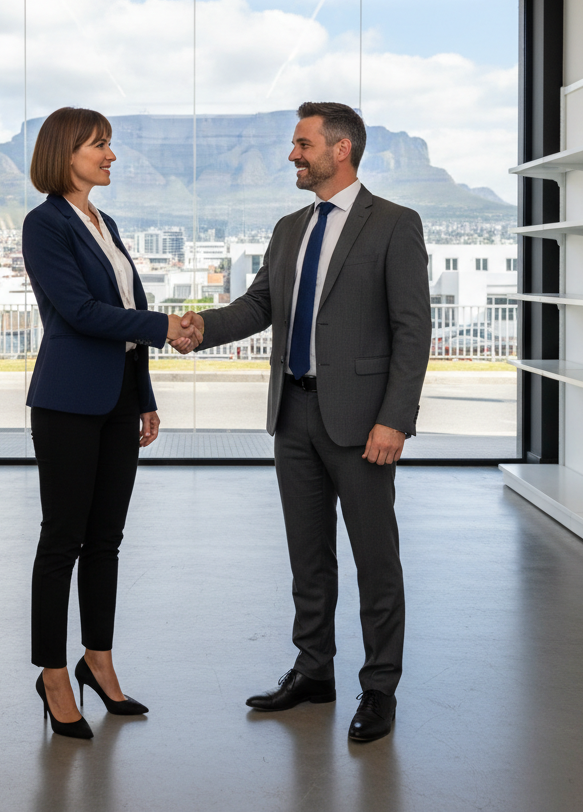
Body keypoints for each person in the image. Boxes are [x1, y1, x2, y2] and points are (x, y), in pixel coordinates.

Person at [176, 101, 430, 743]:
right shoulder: (290, 228)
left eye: (303, 143)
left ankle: (379, 689)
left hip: (363, 423)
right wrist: (200, 327)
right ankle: (314, 671)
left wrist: (395, 419)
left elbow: (412, 330)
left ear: (340, 150)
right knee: (307, 558)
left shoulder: (395, 224)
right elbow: (260, 304)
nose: (293, 154)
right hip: (293, 414)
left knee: (376, 561)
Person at [22, 107, 201, 740]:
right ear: (66, 152)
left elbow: (127, 306)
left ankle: (98, 660)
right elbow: (77, 312)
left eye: (109, 145)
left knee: (106, 540)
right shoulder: (44, 225)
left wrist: (145, 394)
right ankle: (52, 675)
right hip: (68, 401)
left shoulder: (105, 221)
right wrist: (164, 328)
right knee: (61, 540)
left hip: (120, 398)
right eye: (100, 145)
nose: (111, 155)